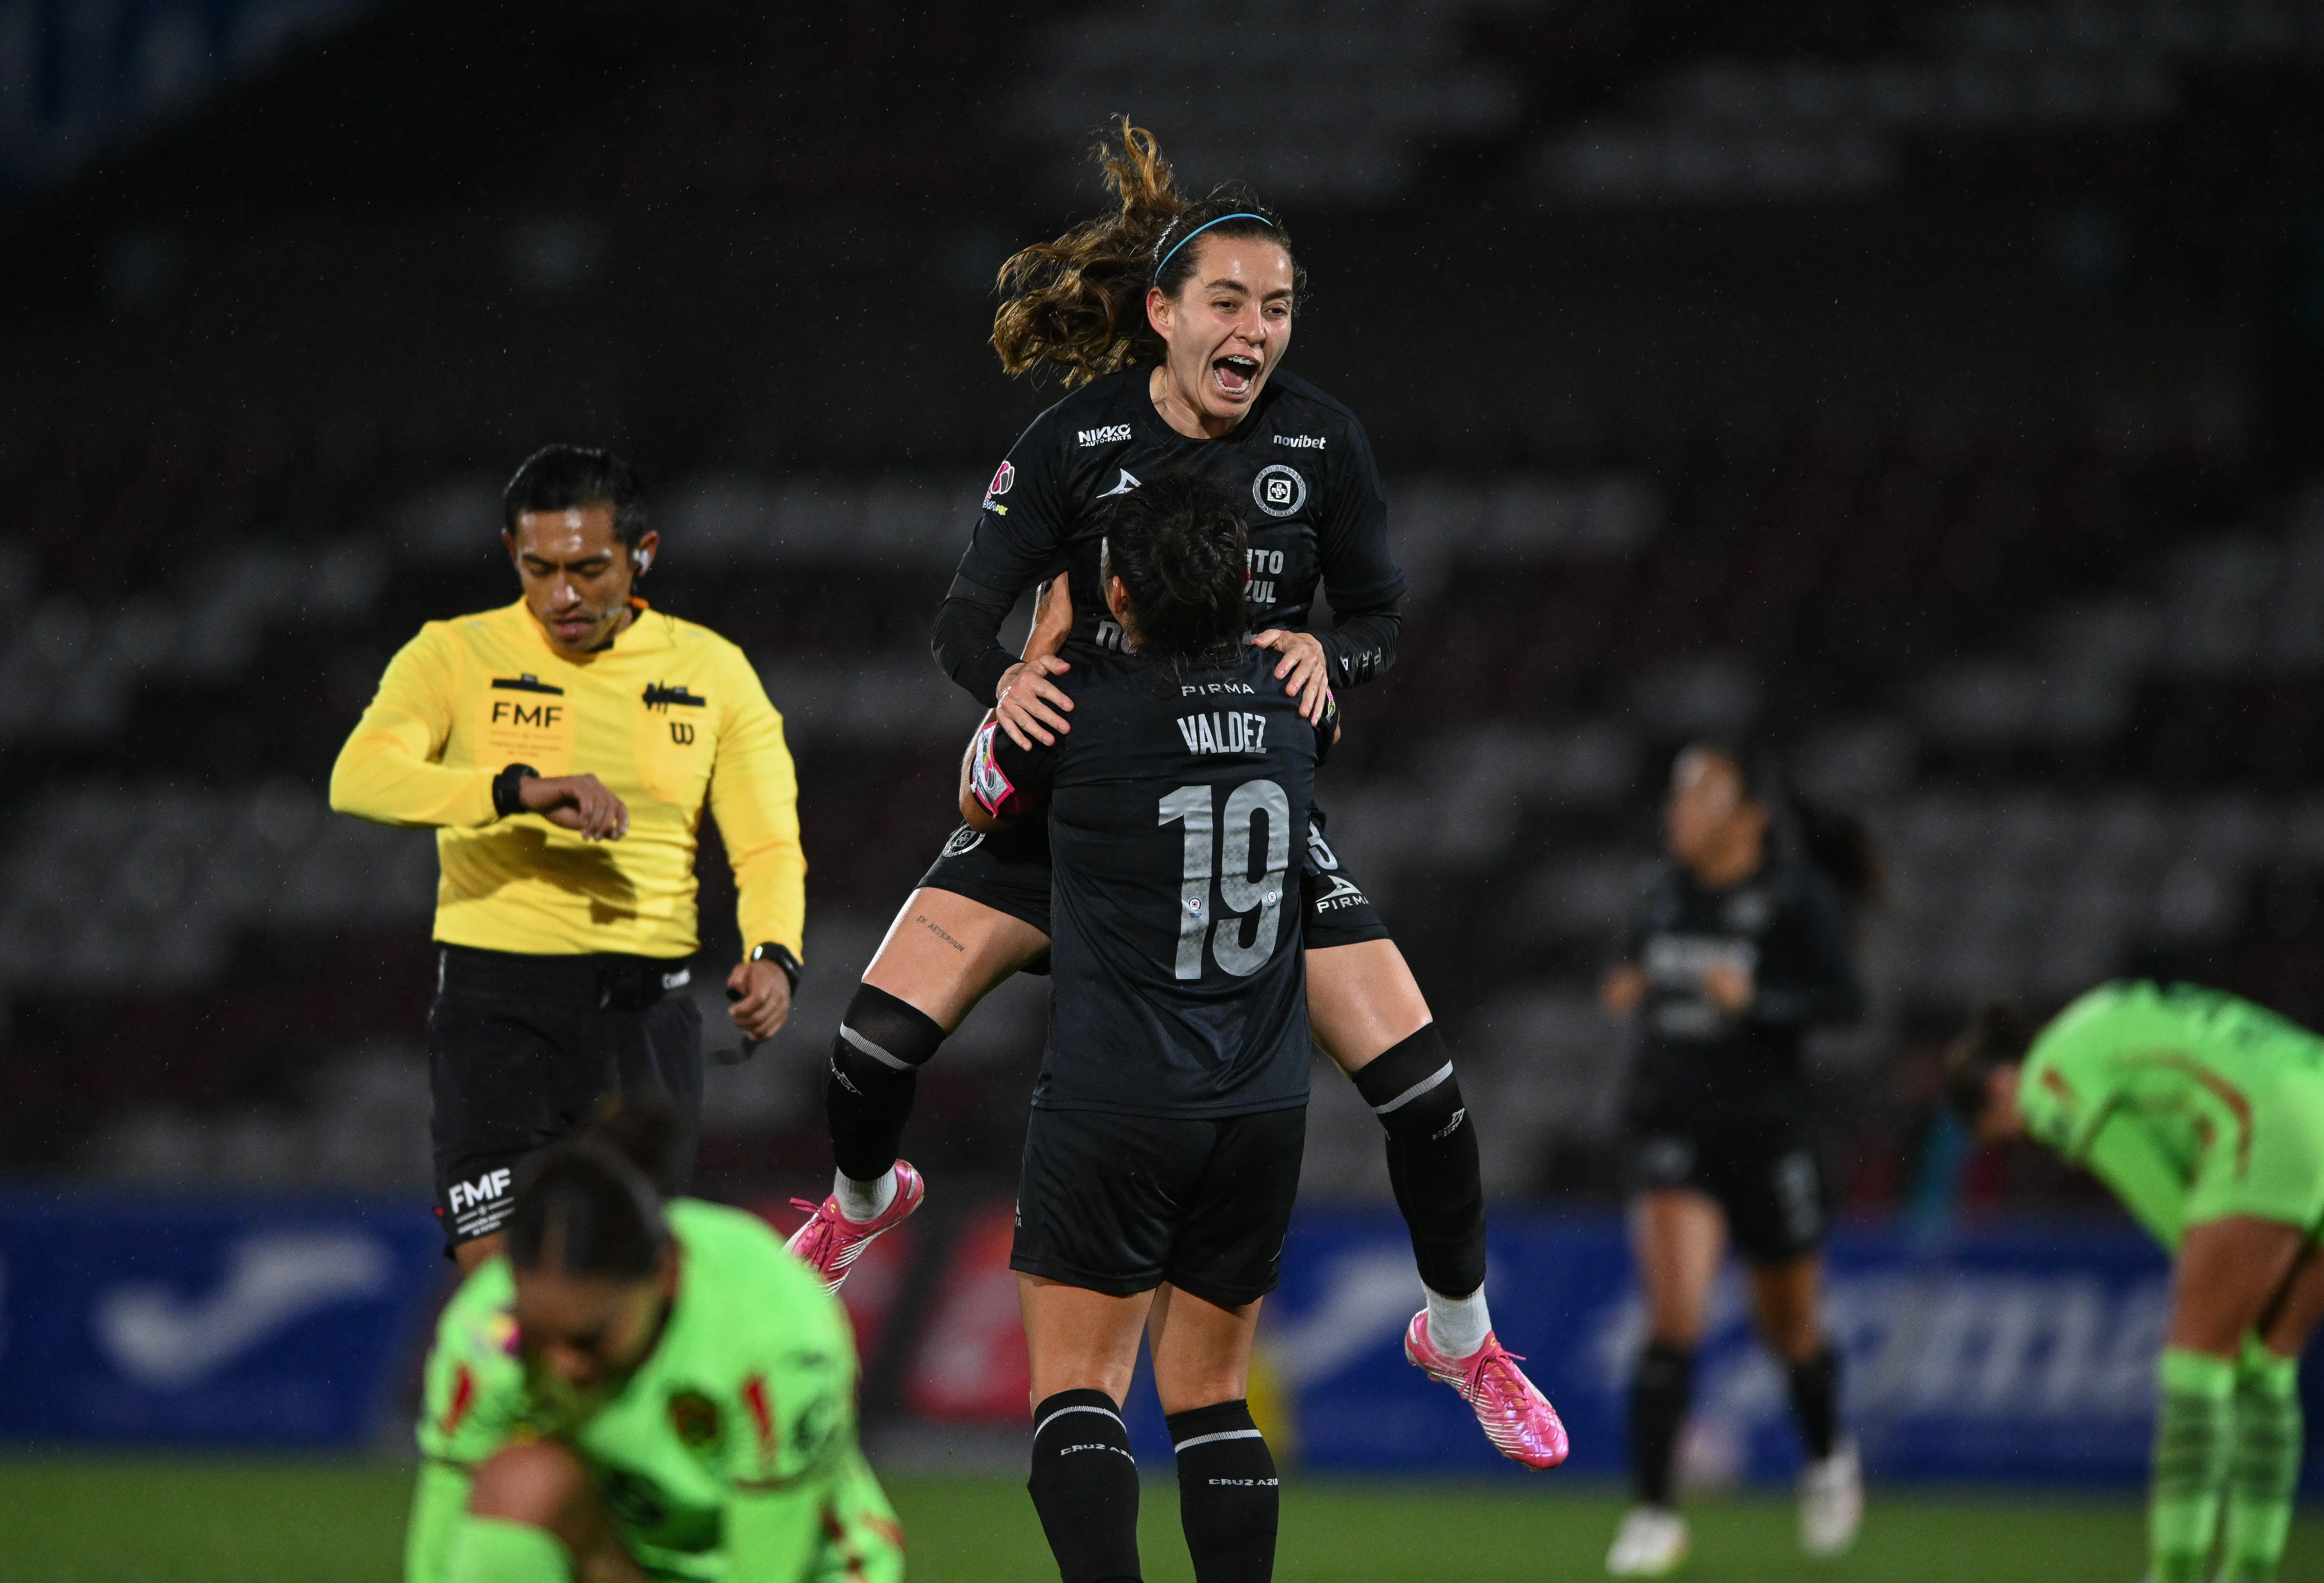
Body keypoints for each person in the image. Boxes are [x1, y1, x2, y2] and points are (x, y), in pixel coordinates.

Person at [783, 119, 1544, 1465]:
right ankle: (862, 1197)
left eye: (1280, 307)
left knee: (1425, 1093)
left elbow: (1375, 610)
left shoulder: (1321, 444)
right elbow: (964, 619)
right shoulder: (1075, 439)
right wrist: (1004, 687)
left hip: (1235, 817)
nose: (1258, 329)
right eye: (1231, 303)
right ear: (1162, 314)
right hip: (1072, 806)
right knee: (870, 1050)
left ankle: (1459, 1334)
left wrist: (1332, 648)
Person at [959, 474, 1567, 1583]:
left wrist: (1033, 658)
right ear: (1244, 587)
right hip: (1254, 1102)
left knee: (1079, 1389)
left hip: (1112, 1092)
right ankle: (1460, 1331)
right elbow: (1291, 707)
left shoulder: (1080, 703)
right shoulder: (1294, 695)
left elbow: (983, 799)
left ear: (1117, 589)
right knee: (1211, 1398)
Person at [330, 445, 805, 1270]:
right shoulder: (452, 654)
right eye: (539, 567)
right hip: (497, 1016)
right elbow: (359, 777)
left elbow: (766, 840)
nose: (562, 595)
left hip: (644, 1028)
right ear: (513, 552)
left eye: (588, 568)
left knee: (623, 1283)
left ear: (642, 555)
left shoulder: (714, 672)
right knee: (505, 1279)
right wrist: (515, 791)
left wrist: (773, 952)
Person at [403, 1099, 903, 1583]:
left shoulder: (776, 1331)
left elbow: (770, 1568)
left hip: (793, 1565)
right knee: (522, 1482)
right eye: (539, 1338)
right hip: (635, 1559)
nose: (563, 1366)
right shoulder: (485, 1334)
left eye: (588, 1338)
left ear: (664, 1275)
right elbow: (438, 1548)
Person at [1597, 741, 1877, 1576]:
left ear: (1749, 817)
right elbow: (1627, 965)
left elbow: (1847, 1001)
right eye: (1678, 796)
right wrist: (1625, 981)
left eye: (1702, 797)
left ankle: (1828, 1457)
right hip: (1671, 1124)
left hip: (1767, 1133)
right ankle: (1654, 1511)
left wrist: (1760, 1001)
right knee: (1672, 1318)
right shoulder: (1659, 891)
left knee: (1786, 1326)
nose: (1679, 810)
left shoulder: (1794, 897)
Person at [1949, 982, 2324, 1583]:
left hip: (2271, 1120)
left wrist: (2205, 1261)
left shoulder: (2049, 1074)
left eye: (2012, 1131)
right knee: (2267, 1367)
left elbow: (2146, 1179)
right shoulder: (2097, 1010)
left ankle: (2174, 1571)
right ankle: (2251, 1570)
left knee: (2195, 1365)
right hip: (2314, 1081)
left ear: (1999, 1087)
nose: (2034, 1138)